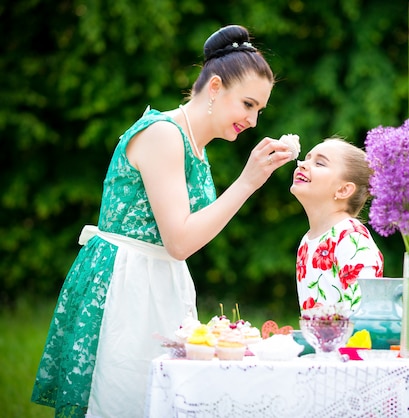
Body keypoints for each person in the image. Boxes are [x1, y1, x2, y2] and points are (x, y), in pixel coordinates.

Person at [31, 25, 292, 417]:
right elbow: (180, 241)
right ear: (216, 87)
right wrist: (247, 182)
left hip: (159, 281)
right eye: (248, 104)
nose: (253, 121)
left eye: (259, 111)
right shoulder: (164, 134)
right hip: (125, 286)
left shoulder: (195, 144)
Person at [290, 138, 384, 315]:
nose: (302, 164)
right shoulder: (308, 240)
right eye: (306, 158)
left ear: (343, 190)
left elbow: (364, 313)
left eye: (319, 163)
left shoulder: (352, 238)